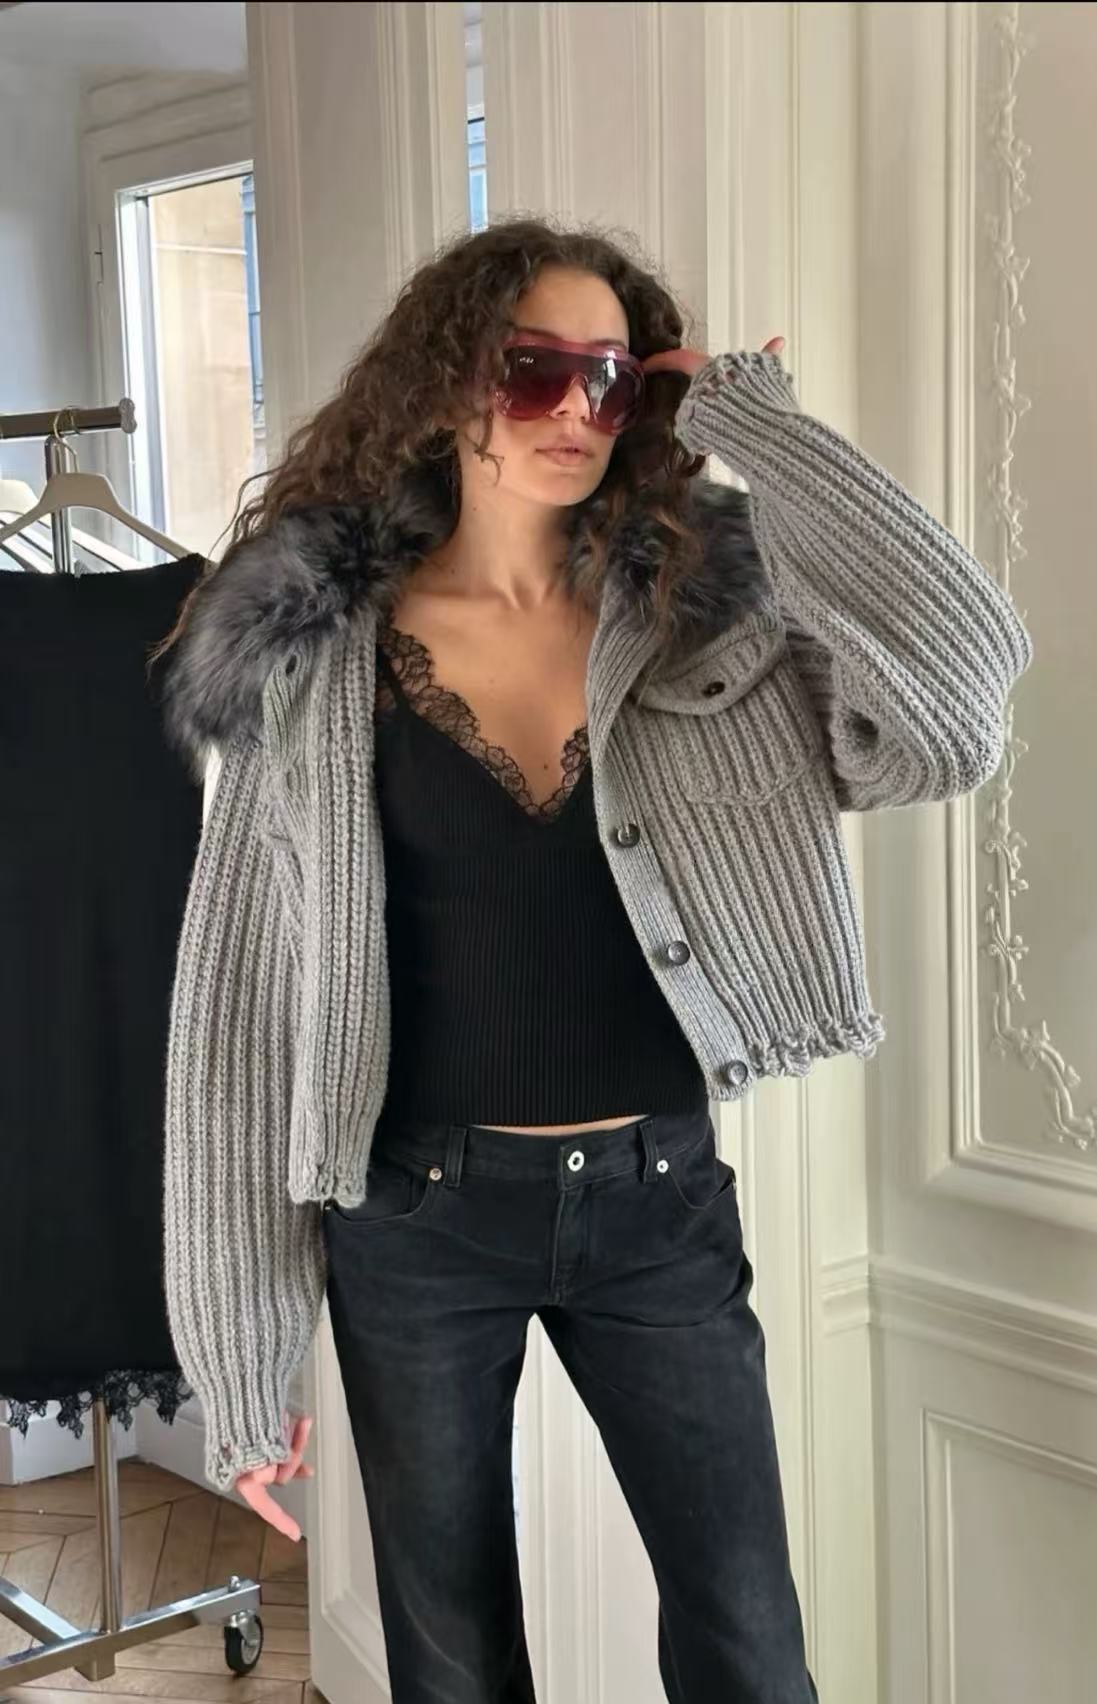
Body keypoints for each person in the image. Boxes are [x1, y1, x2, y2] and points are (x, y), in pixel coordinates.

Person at [154, 214, 1033, 1703]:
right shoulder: (314, 655)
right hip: (415, 1222)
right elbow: (238, 1016)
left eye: (614, 379)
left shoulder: (712, 622)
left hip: (656, 1204)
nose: (577, 408)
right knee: (454, 1666)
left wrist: (768, 436)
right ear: (449, 379)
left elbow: (958, 708)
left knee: (751, 1650)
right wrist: (240, 1362)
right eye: (534, 370)